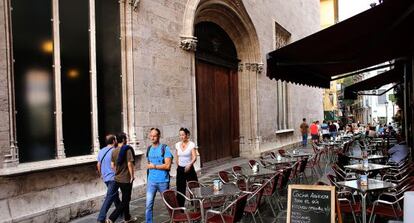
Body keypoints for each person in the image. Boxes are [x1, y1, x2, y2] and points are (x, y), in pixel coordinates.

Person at [106, 133, 137, 223]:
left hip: (118, 178)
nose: (126, 140)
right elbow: (129, 164)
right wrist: (132, 176)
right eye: (126, 138)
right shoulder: (127, 150)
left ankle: (127, 218)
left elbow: (112, 166)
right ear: (123, 140)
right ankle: (112, 218)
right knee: (126, 200)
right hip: (126, 179)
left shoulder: (114, 151)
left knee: (125, 198)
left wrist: (117, 172)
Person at [146, 128, 173, 223]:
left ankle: (175, 220)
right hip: (151, 181)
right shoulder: (149, 149)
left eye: (154, 136)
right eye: (151, 135)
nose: (152, 137)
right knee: (148, 205)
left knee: (168, 203)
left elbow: (167, 165)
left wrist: (154, 166)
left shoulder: (165, 148)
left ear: (158, 136)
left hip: (163, 181)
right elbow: (148, 164)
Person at [97, 134, 121, 223]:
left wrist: (101, 175)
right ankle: (101, 218)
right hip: (113, 178)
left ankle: (120, 211)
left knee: (114, 195)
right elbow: (116, 165)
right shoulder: (115, 151)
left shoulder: (101, 151)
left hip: (106, 178)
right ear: (114, 141)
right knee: (109, 197)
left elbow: (98, 164)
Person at [175, 127, 198, 207]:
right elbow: (177, 156)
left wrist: (189, 164)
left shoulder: (191, 144)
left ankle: (195, 205)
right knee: (180, 188)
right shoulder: (177, 145)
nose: (181, 136)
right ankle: (180, 208)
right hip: (180, 169)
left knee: (193, 186)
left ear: (187, 135)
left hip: (189, 168)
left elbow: (194, 157)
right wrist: (178, 166)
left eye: (183, 135)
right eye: (180, 135)